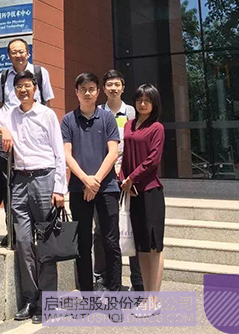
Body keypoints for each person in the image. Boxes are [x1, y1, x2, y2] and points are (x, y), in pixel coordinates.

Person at [0, 70, 67, 324]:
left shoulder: (47, 114)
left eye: (27, 86)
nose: (23, 90)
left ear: (35, 89)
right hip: (19, 181)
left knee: (46, 243)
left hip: (45, 178)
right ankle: (30, 299)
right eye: (18, 86)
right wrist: (3, 128)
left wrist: (59, 188)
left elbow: (59, 152)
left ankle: (47, 301)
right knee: (22, 242)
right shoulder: (9, 114)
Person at [61, 72, 121, 293]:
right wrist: (86, 180)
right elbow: (66, 154)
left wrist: (95, 181)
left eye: (91, 89)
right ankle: (87, 294)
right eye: (83, 89)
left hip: (107, 188)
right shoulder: (68, 120)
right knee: (83, 242)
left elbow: (113, 152)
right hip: (79, 189)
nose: (87, 93)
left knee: (111, 241)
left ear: (98, 92)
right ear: (76, 92)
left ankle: (114, 292)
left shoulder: (107, 118)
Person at [0, 38, 55, 235]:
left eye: (21, 51)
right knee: (10, 185)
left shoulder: (40, 73)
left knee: (37, 186)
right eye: (14, 52)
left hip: (33, 138)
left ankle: (39, 233)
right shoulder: (3, 77)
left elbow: (48, 104)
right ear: (9, 55)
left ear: (28, 53)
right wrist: (3, 129)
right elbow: (1, 107)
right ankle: (14, 232)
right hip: (8, 137)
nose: (18, 55)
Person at [93, 69, 144, 292]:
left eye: (117, 84)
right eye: (109, 85)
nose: (113, 88)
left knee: (132, 226)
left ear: (123, 87)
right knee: (101, 229)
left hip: (128, 177)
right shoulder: (97, 112)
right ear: (103, 89)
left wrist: (131, 174)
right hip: (104, 176)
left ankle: (137, 281)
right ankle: (101, 277)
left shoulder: (132, 112)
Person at [120, 83, 165, 301]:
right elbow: (125, 155)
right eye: (139, 99)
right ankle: (147, 296)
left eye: (147, 100)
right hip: (132, 191)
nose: (143, 103)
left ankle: (154, 299)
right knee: (142, 248)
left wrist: (132, 178)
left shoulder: (157, 128)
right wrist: (123, 179)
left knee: (154, 247)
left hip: (150, 191)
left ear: (154, 103)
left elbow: (153, 160)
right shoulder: (129, 125)